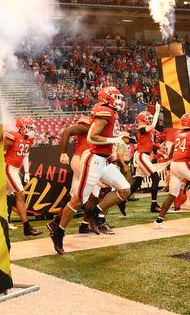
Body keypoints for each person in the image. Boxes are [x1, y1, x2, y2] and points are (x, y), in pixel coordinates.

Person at [49, 86, 132, 254]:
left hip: (104, 161)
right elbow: (91, 137)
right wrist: (115, 139)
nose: (119, 100)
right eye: (116, 97)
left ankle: (95, 212)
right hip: (93, 160)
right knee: (79, 199)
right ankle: (59, 231)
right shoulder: (104, 112)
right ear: (108, 98)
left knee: (125, 190)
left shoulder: (111, 112)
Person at [4, 116, 42, 236]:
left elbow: (25, 155)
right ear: (21, 127)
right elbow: (0, 149)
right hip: (8, 167)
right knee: (20, 195)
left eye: (31, 127)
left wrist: (26, 172)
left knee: (6, 194)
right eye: (28, 127)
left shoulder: (29, 139)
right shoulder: (13, 135)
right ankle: (27, 227)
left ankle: (5, 221)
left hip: (16, 169)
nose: (30, 129)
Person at [130, 104, 163, 212]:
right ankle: (154, 204)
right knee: (156, 178)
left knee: (137, 183)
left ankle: (121, 199)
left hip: (144, 155)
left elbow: (150, 144)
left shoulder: (148, 131)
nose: (149, 120)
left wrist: (160, 147)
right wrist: (157, 111)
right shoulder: (141, 127)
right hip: (141, 155)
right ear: (142, 119)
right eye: (148, 118)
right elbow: (152, 126)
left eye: (150, 118)